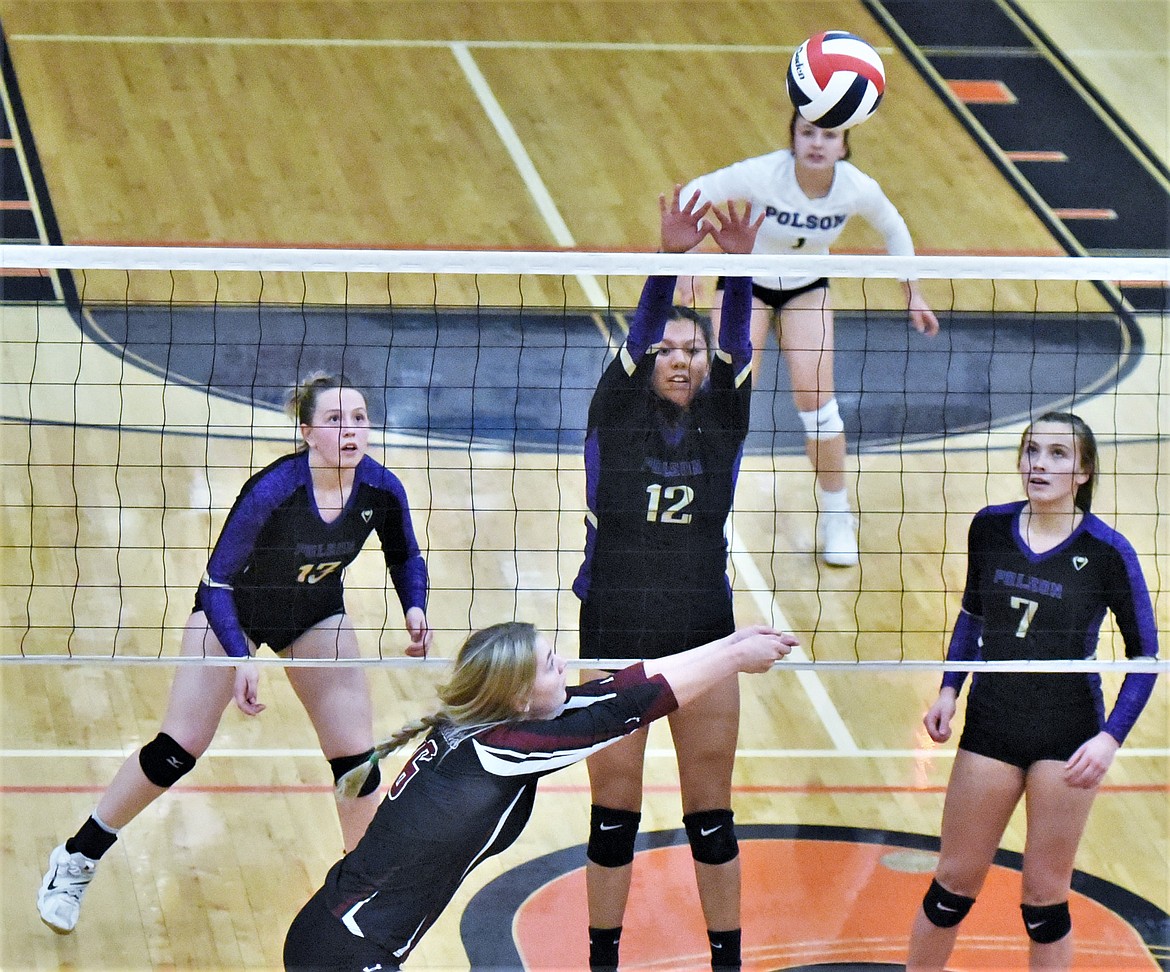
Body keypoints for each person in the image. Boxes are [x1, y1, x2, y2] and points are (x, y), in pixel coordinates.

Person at [37, 373, 432, 935]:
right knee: (179, 747)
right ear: (307, 433)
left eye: (360, 418)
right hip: (233, 612)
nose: (351, 430)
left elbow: (405, 555)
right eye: (335, 420)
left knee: (356, 763)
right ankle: (77, 857)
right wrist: (239, 657)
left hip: (314, 613)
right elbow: (218, 580)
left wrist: (415, 607)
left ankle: (358, 901)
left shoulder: (381, 489)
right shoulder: (273, 491)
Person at [283, 620, 799, 971]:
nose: (566, 665)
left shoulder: (487, 725)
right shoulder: (504, 748)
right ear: (521, 697)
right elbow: (632, 708)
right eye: (553, 664)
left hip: (333, 935)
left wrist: (730, 647)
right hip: (348, 953)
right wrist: (733, 660)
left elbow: (621, 687)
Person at [572, 185, 763, 971]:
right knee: (613, 813)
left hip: (702, 628)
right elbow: (645, 326)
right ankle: (602, 960)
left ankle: (727, 961)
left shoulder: (724, 421)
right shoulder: (613, 412)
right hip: (614, 623)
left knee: (710, 815)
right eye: (669, 350)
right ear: (647, 362)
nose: (681, 358)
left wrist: (738, 274)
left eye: (693, 351)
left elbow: (738, 349)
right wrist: (669, 260)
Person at [905, 412, 1159, 970]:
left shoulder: (1108, 552)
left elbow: (1146, 659)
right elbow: (972, 615)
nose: (1039, 464)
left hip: (1067, 735)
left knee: (1045, 900)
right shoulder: (990, 528)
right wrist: (950, 689)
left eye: (1058, 454)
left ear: (1084, 472)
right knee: (951, 887)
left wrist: (1111, 739)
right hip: (991, 726)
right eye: (1031, 451)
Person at [681, 111, 941, 566]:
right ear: (793, 138)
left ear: (844, 144)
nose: (817, 143)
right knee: (726, 397)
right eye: (807, 133)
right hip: (748, 283)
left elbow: (894, 228)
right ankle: (708, 512)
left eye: (829, 135)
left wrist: (913, 293)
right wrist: (686, 260)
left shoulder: (855, 187)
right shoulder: (763, 174)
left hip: (807, 288)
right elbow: (693, 192)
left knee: (819, 405)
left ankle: (837, 516)